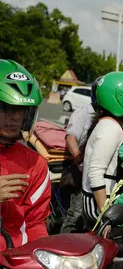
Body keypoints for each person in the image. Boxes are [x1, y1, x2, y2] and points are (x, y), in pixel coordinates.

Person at [0, 59, 51, 251]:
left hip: (15, 257)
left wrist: (41, 255)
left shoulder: (35, 163)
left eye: (20, 110)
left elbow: (35, 223)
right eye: (6, 108)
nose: (14, 117)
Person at [82, 72, 123, 228]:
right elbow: (95, 172)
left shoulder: (119, 125)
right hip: (100, 204)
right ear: (117, 99)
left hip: (109, 200)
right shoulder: (109, 128)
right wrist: (106, 215)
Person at [60, 76, 102, 233]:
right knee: (76, 215)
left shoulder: (116, 119)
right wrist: (80, 160)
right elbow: (71, 137)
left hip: (104, 175)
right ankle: (61, 249)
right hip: (83, 171)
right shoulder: (84, 112)